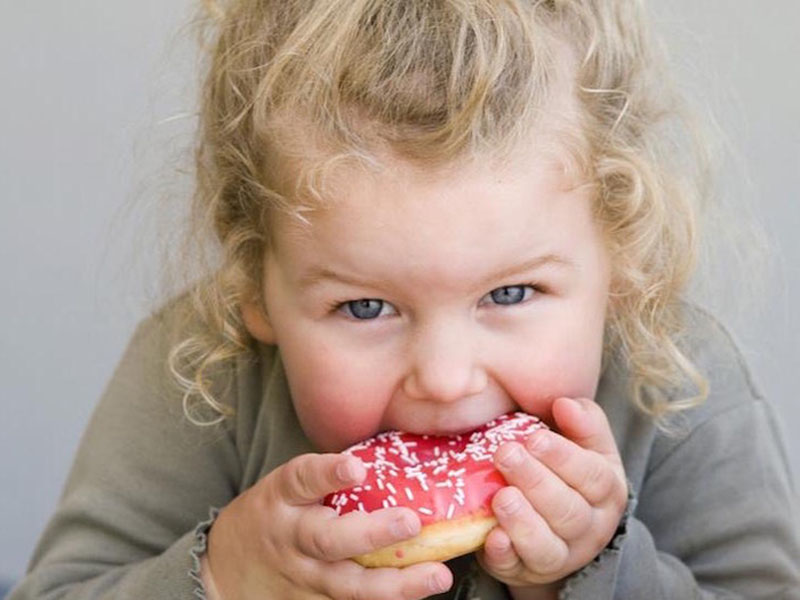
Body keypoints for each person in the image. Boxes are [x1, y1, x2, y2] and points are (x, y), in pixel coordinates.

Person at [9, 1, 800, 598]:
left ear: (620, 259)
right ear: (255, 286)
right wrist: (228, 574)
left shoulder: (678, 378)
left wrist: (590, 571)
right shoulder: (207, 371)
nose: (448, 379)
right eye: (365, 309)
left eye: (512, 292)